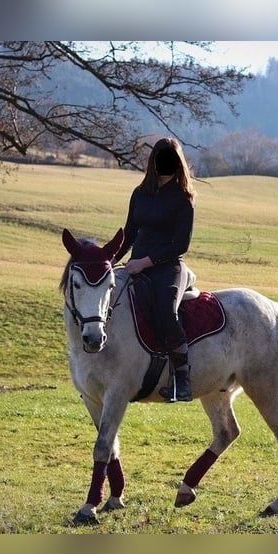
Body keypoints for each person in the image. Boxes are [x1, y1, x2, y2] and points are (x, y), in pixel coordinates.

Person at [114, 138, 196, 402]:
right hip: (136, 265)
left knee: (165, 310)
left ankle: (182, 380)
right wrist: (108, 260)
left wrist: (144, 262)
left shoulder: (183, 199)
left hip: (168, 268)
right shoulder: (140, 194)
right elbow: (129, 234)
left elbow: (180, 245)